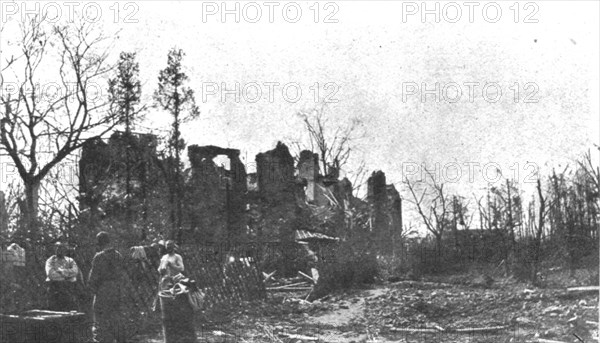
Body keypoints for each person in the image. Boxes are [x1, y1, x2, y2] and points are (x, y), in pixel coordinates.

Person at [88, 232, 126, 343]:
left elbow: (93, 277)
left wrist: (92, 289)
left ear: (99, 243)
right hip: (116, 289)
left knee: (100, 317)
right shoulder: (118, 255)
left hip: (103, 289)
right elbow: (121, 274)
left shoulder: (99, 256)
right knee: (116, 316)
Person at [45, 242, 79, 311]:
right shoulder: (50, 260)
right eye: (57, 247)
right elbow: (51, 274)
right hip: (54, 288)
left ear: (65, 250)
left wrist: (61, 271)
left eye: (61, 247)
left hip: (68, 289)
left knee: (68, 311)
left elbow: (75, 271)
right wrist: (67, 276)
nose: (58, 249)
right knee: (54, 312)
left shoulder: (70, 260)